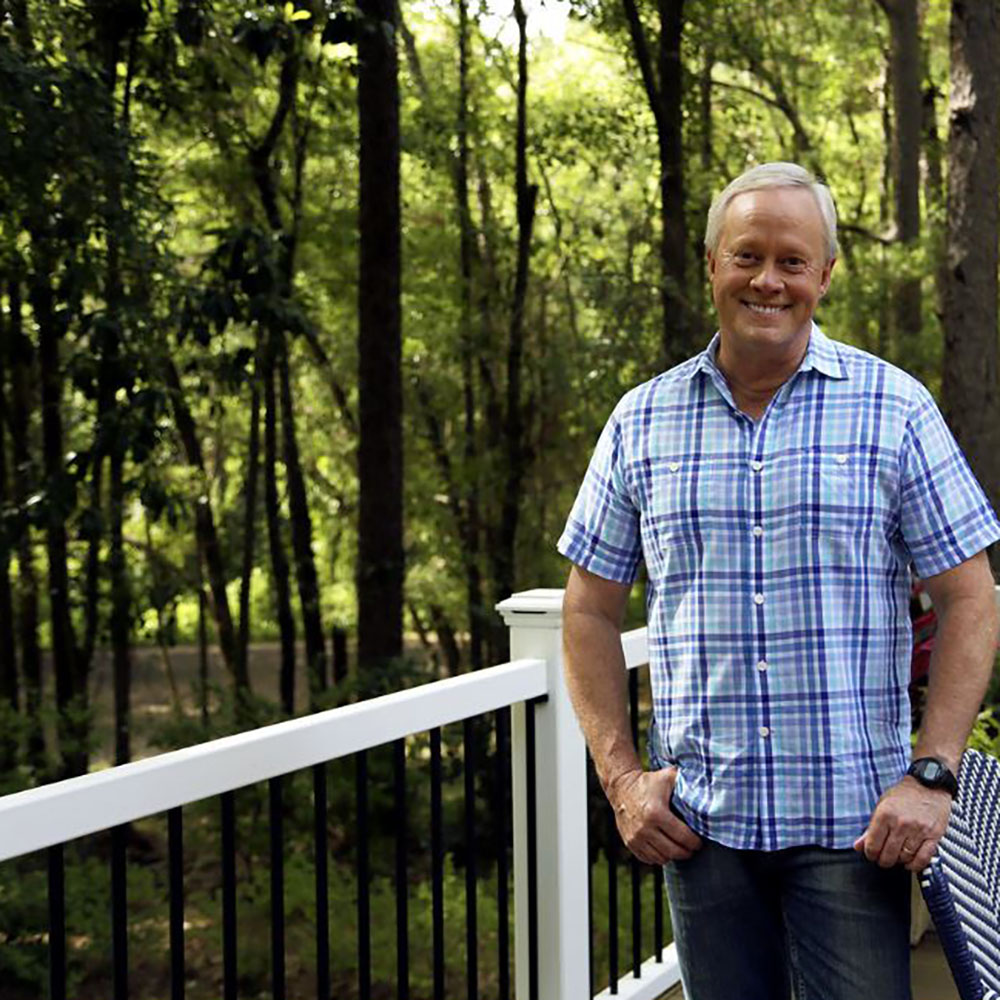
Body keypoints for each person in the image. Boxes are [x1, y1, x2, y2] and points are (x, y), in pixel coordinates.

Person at [557, 161, 1000, 1000]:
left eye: (793, 261)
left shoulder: (895, 409)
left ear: (825, 276)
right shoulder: (640, 420)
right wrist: (621, 781)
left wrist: (933, 773)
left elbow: (970, 595)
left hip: (856, 831)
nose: (769, 279)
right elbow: (587, 610)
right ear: (712, 264)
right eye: (747, 255)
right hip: (701, 830)